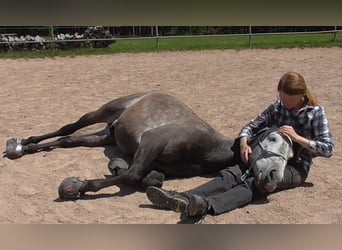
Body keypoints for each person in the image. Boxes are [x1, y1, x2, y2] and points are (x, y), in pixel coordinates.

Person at [146, 72, 335, 217]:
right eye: (282, 99)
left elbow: (328, 149)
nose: (284, 104)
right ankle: (184, 198)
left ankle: (207, 205)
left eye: (288, 101)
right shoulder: (278, 105)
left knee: (256, 182)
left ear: (301, 95)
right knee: (231, 174)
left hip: (295, 167)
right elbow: (251, 126)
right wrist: (244, 143)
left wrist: (298, 138)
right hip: (266, 156)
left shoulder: (315, 113)